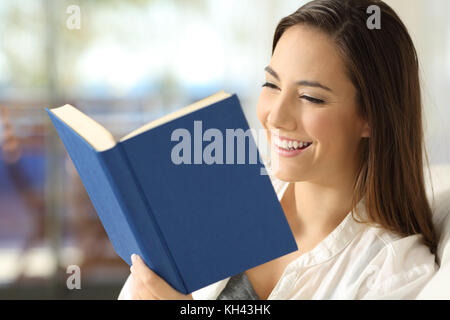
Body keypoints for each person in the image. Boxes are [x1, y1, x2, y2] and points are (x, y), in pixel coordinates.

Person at [118, 0, 439, 300]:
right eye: (271, 85)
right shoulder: (223, 196)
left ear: (371, 117)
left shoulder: (393, 273)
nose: (275, 116)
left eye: (311, 97)